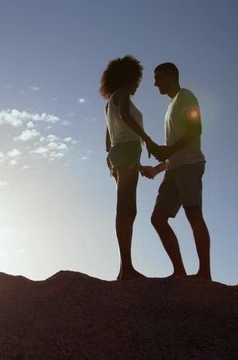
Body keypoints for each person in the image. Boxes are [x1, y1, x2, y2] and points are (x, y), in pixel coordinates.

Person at [142, 62, 212, 281]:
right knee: (158, 218)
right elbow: (171, 150)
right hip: (173, 169)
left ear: (172, 76)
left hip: (190, 165)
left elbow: (196, 128)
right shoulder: (171, 105)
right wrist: (157, 168)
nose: (155, 83)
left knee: (193, 214)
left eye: (158, 78)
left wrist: (167, 151)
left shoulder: (186, 96)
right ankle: (179, 272)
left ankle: (204, 273)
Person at [100, 55, 156, 281]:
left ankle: (125, 269)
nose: (137, 85)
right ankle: (127, 269)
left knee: (126, 209)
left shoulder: (108, 103)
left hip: (119, 155)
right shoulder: (122, 94)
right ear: (129, 77)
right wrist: (147, 139)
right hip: (127, 152)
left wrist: (133, 160)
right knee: (127, 210)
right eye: (136, 80)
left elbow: (107, 142)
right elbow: (124, 115)